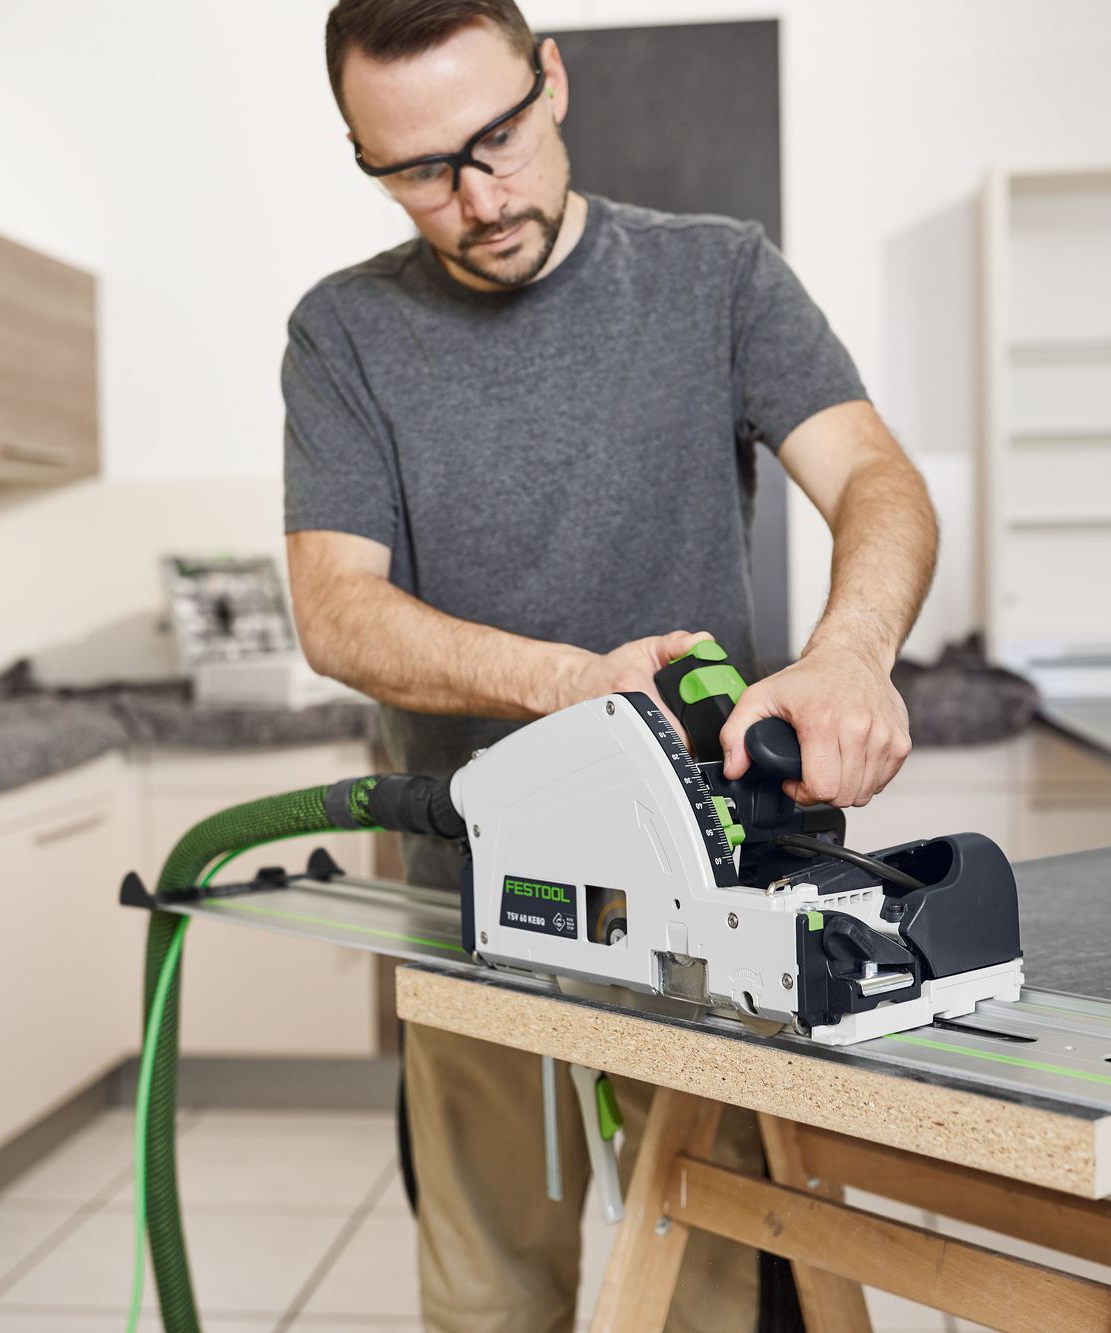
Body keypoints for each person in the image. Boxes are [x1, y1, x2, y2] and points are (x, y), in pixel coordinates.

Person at [281, 2, 940, 1328]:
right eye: (420, 171)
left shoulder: (719, 277)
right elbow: (336, 612)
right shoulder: (344, 331)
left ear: (554, 80)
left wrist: (850, 654)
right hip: (476, 903)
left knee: (713, 1296)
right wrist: (572, 684)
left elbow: (875, 477)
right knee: (488, 1299)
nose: (480, 198)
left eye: (498, 139)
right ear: (363, 157)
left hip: (706, 905)